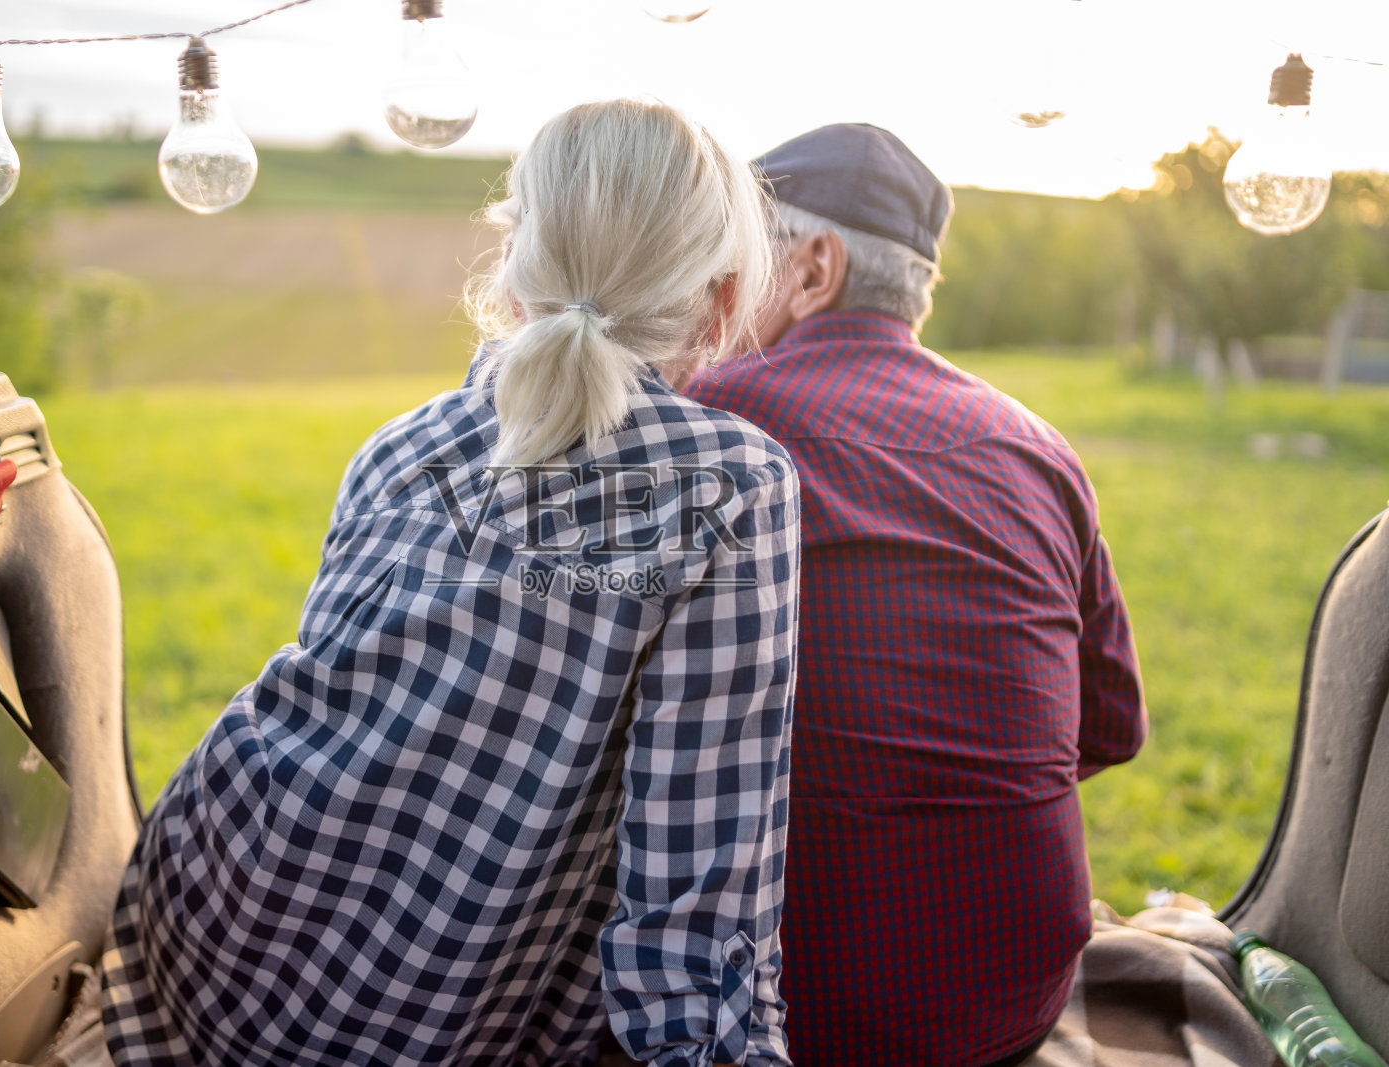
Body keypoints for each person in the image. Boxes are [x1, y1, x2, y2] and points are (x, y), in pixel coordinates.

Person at [101, 100, 800, 1067]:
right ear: (723, 301)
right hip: (407, 1024)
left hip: (199, 918)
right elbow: (698, 884)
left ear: (514, 273)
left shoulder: (403, 440)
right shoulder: (736, 482)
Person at [687, 124, 1148, 1066]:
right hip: (1016, 997)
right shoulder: (1038, 446)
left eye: (736, 259)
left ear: (815, 266)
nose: (716, 292)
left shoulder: (712, 419)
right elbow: (1110, 727)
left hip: (790, 1006)